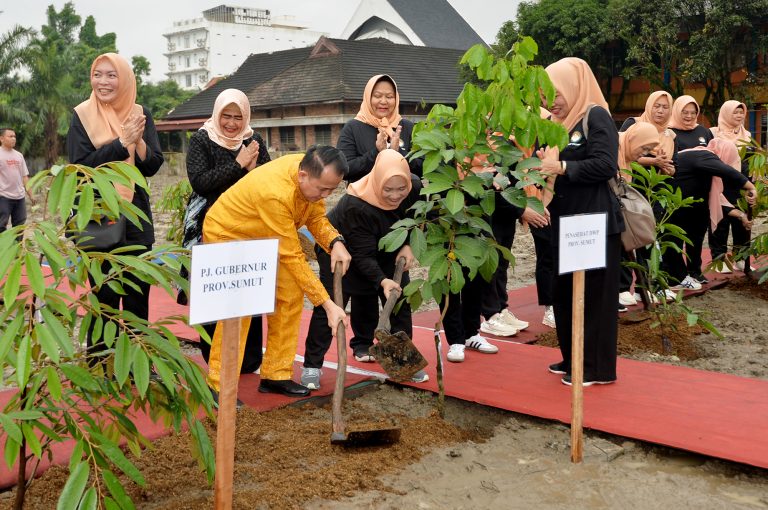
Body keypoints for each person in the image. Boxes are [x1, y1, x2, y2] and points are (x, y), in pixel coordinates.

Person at [203, 146, 351, 397]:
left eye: (331, 190)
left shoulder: (310, 175)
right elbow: (292, 256)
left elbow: (315, 217)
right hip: (229, 233)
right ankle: (219, 384)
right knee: (240, 308)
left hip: (266, 233)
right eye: (323, 189)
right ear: (303, 175)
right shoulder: (276, 193)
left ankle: (275, 374)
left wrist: (335, 242)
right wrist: (327, 305)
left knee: (291, 294)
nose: (325, 195)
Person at [66, 53, 164, 362]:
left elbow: (152, 165)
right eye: (98, 74)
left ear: (124, 79)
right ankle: (100, 362)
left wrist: (138, 142)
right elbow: (80, 166)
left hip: (136, 214)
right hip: (100, 213)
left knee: (137, 294)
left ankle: (138, 363)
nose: (104, 82)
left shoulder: (140, 113)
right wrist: (121, 144)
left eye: (112, 75)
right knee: (104, 295)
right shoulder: (82, 115)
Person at [302, 149, 427, 389]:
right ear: (377, 180)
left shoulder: (415, 188)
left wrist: (410, 246)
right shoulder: (356, 205)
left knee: (399, 303)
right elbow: (362, 255)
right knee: (330, 309)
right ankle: (312, 366)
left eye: (401, 189)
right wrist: (381, 280)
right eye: (387, 189)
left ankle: (402, 362)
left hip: (389, 247)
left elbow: (423, 220)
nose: (395, 196)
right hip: (341, 251)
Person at [537, 57, 623, 386]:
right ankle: (572, 356)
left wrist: (563, 169)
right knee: (564, 294)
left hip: (593, 223)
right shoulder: (556, 126)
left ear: (573, 86)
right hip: (564, 222)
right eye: (545, 96)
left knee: (595, 298)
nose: (550, 102)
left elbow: (604, 165)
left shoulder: (594, 116)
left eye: (555, 94)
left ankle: (596, 368)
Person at [183, 88, 271, 374]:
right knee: (215, 290)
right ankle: (215, 358)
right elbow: (201, 183)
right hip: (209, 223)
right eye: (226, 116)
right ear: (216, 114)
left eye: (238, 117)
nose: (232, 123)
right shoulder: (201, 139)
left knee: (248, 288)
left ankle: (249, 359)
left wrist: (252, 168)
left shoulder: (253, 139)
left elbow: (267, 180)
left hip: (247, 223)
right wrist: (238, 165)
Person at [665, 138, 757, 290]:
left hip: (692, 205)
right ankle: (675, 278)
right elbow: (726, 171)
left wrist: (741, 216)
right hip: (674, 205)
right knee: (673, 240)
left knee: (696, 235)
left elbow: (719, 199)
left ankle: (694, 272)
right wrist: (749, 185)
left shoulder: (707, 164)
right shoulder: (703, 155)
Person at [617, 92, 677, 307]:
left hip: (655, 191)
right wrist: (654, 161)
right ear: (649, 106)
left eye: (665, 107)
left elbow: (672, 162)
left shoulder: (670, 136)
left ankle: (649, 285)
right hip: (631, 186)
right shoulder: (633, 124)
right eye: (657, 106)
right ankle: (623, 287)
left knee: (650, 237)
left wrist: (667, 167)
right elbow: (625, 153)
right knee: (626, 238)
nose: (660, 111)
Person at [337, 74, 422, 183]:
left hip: (406, 197)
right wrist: (376, 153)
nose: (383, 101)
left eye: (389, 96)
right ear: (368, 97)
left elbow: (425, 168)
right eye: (377, 96)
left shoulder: (407, 126)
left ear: (396, 99)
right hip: (363, 198)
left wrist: (399, 153)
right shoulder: (352, 127)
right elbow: (343, 170)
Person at [708, 100, 752, 272]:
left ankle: (741, 259)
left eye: (741, 112)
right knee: (720, 221)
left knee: (742, 223)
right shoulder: (713, 133)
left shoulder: (747, 135)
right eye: (735, 112)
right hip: (721, 182)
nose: (739, 116)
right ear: (726, 113)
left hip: (742, 184)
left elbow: (749, 160)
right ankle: (718, 260)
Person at [0, 128, 35, 233]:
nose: (13, 139)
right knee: (1, 225)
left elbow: (24, 176)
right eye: (10, 136)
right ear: (1, 138)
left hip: (19, 197)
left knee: (19, 226)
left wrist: (31, 194)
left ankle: (18, 248)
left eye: (14, 136)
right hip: (3, 196)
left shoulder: (19, 155)